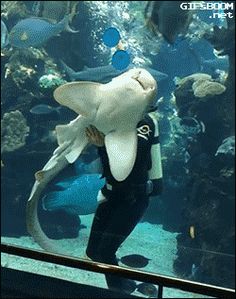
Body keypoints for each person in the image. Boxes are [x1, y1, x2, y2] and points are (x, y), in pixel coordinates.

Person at [85, 106, 163, 294]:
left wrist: (104, 146)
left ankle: (118, 291)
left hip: (133, 197)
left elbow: (136, 159)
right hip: (111, 194)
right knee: (93, 252)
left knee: (105, 251)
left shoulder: (144, 122)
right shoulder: (116, 117)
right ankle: (123, 286)